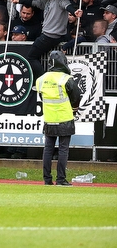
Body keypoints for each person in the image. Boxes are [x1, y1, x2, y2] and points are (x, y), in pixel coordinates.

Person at [35, 51, 82, 186]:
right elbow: (76, 96)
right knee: (63, 149)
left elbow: (41, 96)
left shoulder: (42, 79)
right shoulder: (66, 79)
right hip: (65, 118)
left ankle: (47, 180)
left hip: (49, 119)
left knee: (48, 149)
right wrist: (73, 107)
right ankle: (61, 179)